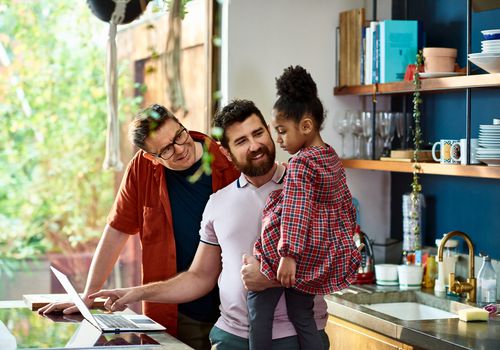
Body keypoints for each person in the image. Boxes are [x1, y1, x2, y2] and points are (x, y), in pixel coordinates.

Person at [89, 99, 331, 350]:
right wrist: (115, 294)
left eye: (258, 133)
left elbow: (335, 260)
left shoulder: (305, 186)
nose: (253, 146)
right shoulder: (218, 201)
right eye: (240, 141)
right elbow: (199, 275)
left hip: (293, 333)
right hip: (217, 328)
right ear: (152, 157)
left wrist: (270, 277)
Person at [39, 103, 240, 350]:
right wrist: (88, 297)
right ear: (150, 157)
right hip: (174, 312)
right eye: (166, 149)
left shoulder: (227, 159)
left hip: (231, 311)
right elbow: (116, 232)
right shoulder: (142, 169)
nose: (179, 149)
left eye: (178, 135)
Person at [247, 66, 361, 350]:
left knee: (258, 311)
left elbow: (297, 210)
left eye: (282, 131)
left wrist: (288, 255)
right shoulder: (330, 157)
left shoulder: (300, 163)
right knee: (303, 316)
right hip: (316, 254)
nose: (278, 140)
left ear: (307, 126)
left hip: (287, 254)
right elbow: (345, 203)